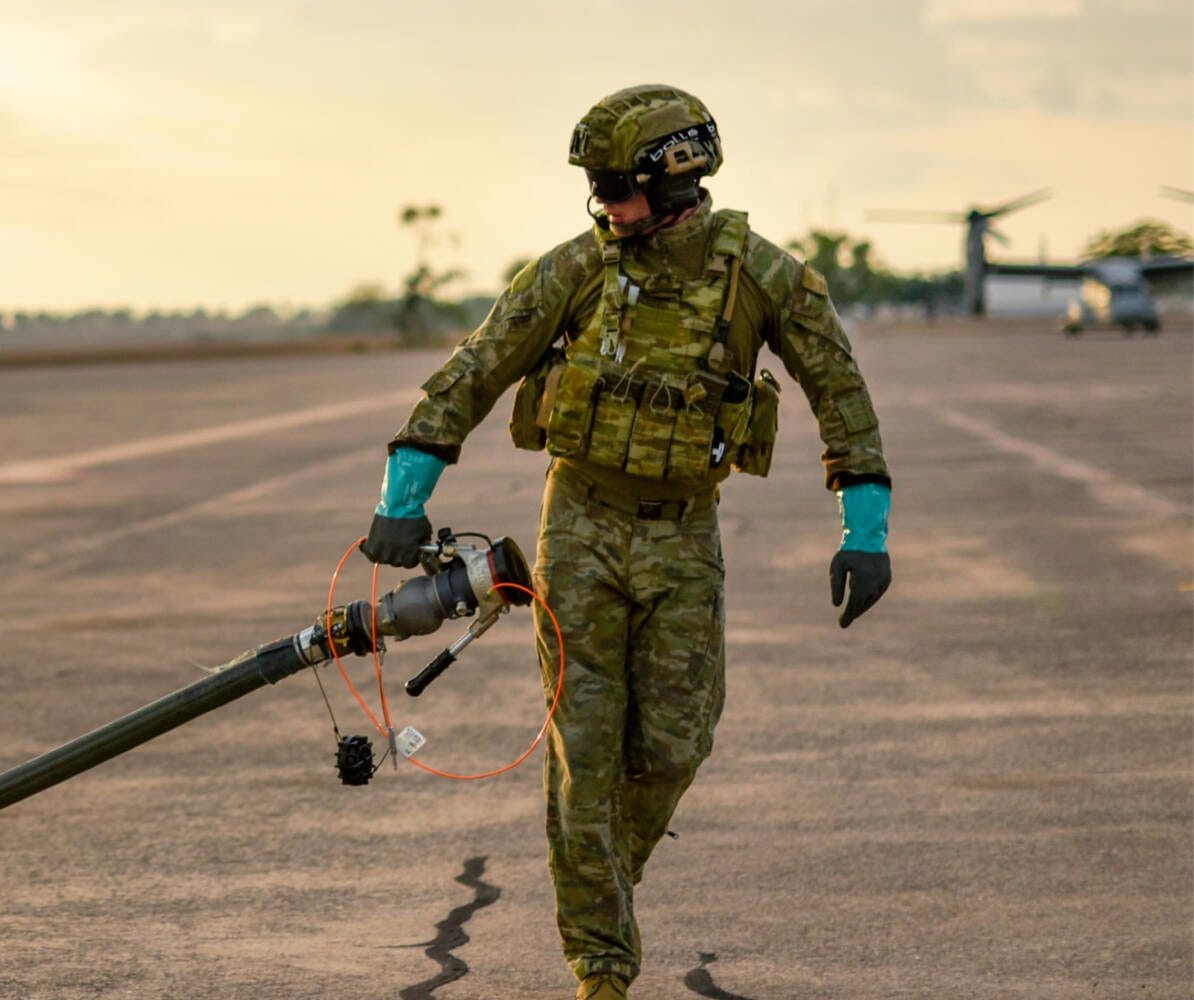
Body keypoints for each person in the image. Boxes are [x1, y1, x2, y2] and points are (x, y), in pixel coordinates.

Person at [361, 84, 892, 1000]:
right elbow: (473, 370)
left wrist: (866, 529)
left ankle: (602, 884)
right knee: (584, 751)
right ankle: (602, 966)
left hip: (685, 536)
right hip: (580, 529)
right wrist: (405, 494)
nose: (604, 205)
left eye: (617, 185)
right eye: (597, 188)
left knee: (679, 742)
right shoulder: (575, 269)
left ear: (678, 177)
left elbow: (841, 397)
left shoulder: (765, 277)